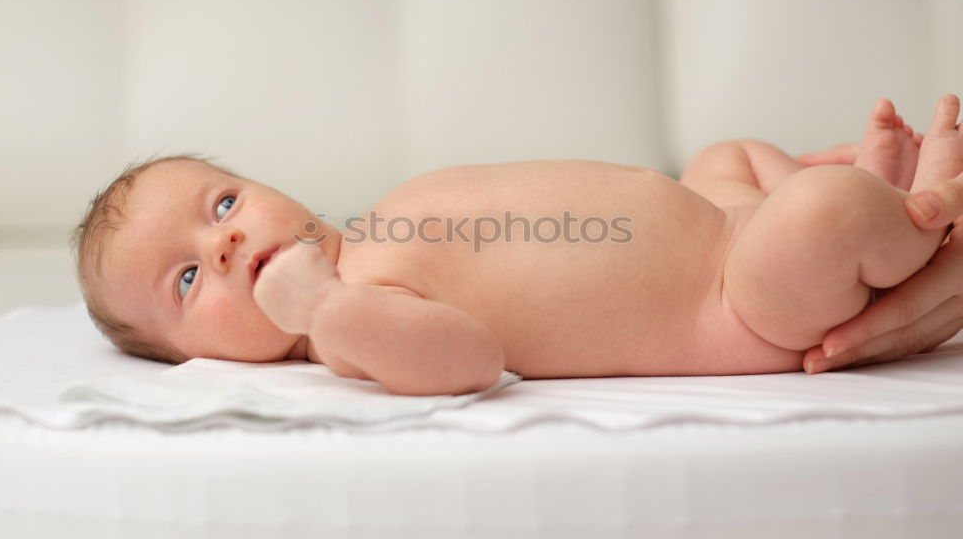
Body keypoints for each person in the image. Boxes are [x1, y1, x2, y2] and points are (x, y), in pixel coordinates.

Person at [71, 94, 963, 395]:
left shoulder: (378, 224)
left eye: (221, 203)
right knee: (817, 218)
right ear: (194, 358)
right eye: (188, 278)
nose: (224, 243)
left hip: (711, 215)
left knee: (725, 155)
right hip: (737, 300)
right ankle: (913, 214)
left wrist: (724, 197)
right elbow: (470, 359)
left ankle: (869, 207)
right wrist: (328, 311)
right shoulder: (357, 330)